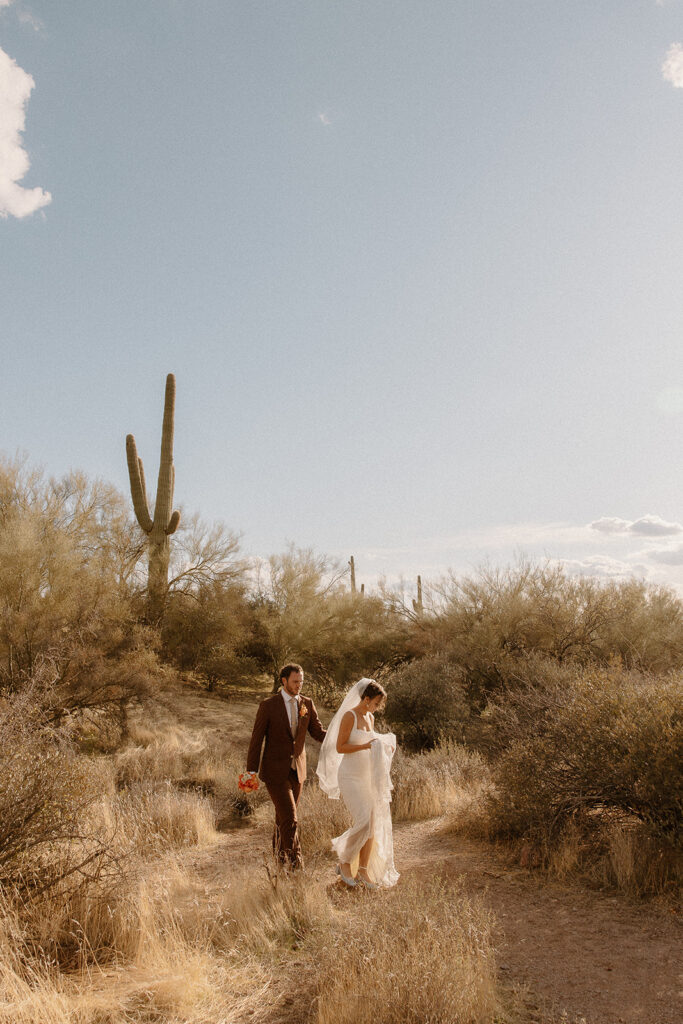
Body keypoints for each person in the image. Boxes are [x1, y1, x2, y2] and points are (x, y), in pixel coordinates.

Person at [316, 678, 399, 889]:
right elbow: (340, 747)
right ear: (366, 699)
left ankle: (362, 869)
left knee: (371, 823)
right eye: (376, 703)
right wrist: (366, 746)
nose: (377, 707)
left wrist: (383, 746)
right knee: (363, 820)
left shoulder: (370, 717)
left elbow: (372, 741)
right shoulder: (349, 716)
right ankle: (344, 861)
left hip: (367, 776)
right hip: (350, 776)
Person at [245, 663, 326, 868]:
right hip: (274, 772)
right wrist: (250, 773)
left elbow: (318, 733)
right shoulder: (268, 705)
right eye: (295, 681)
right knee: (290, 819)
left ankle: (281, 866)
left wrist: (343, 736)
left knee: (282, 821)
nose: (299, 685)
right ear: (284, 681)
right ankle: (297, 867)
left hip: (297, 771)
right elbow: (256, 740)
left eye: (301, 681)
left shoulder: (307, 703)